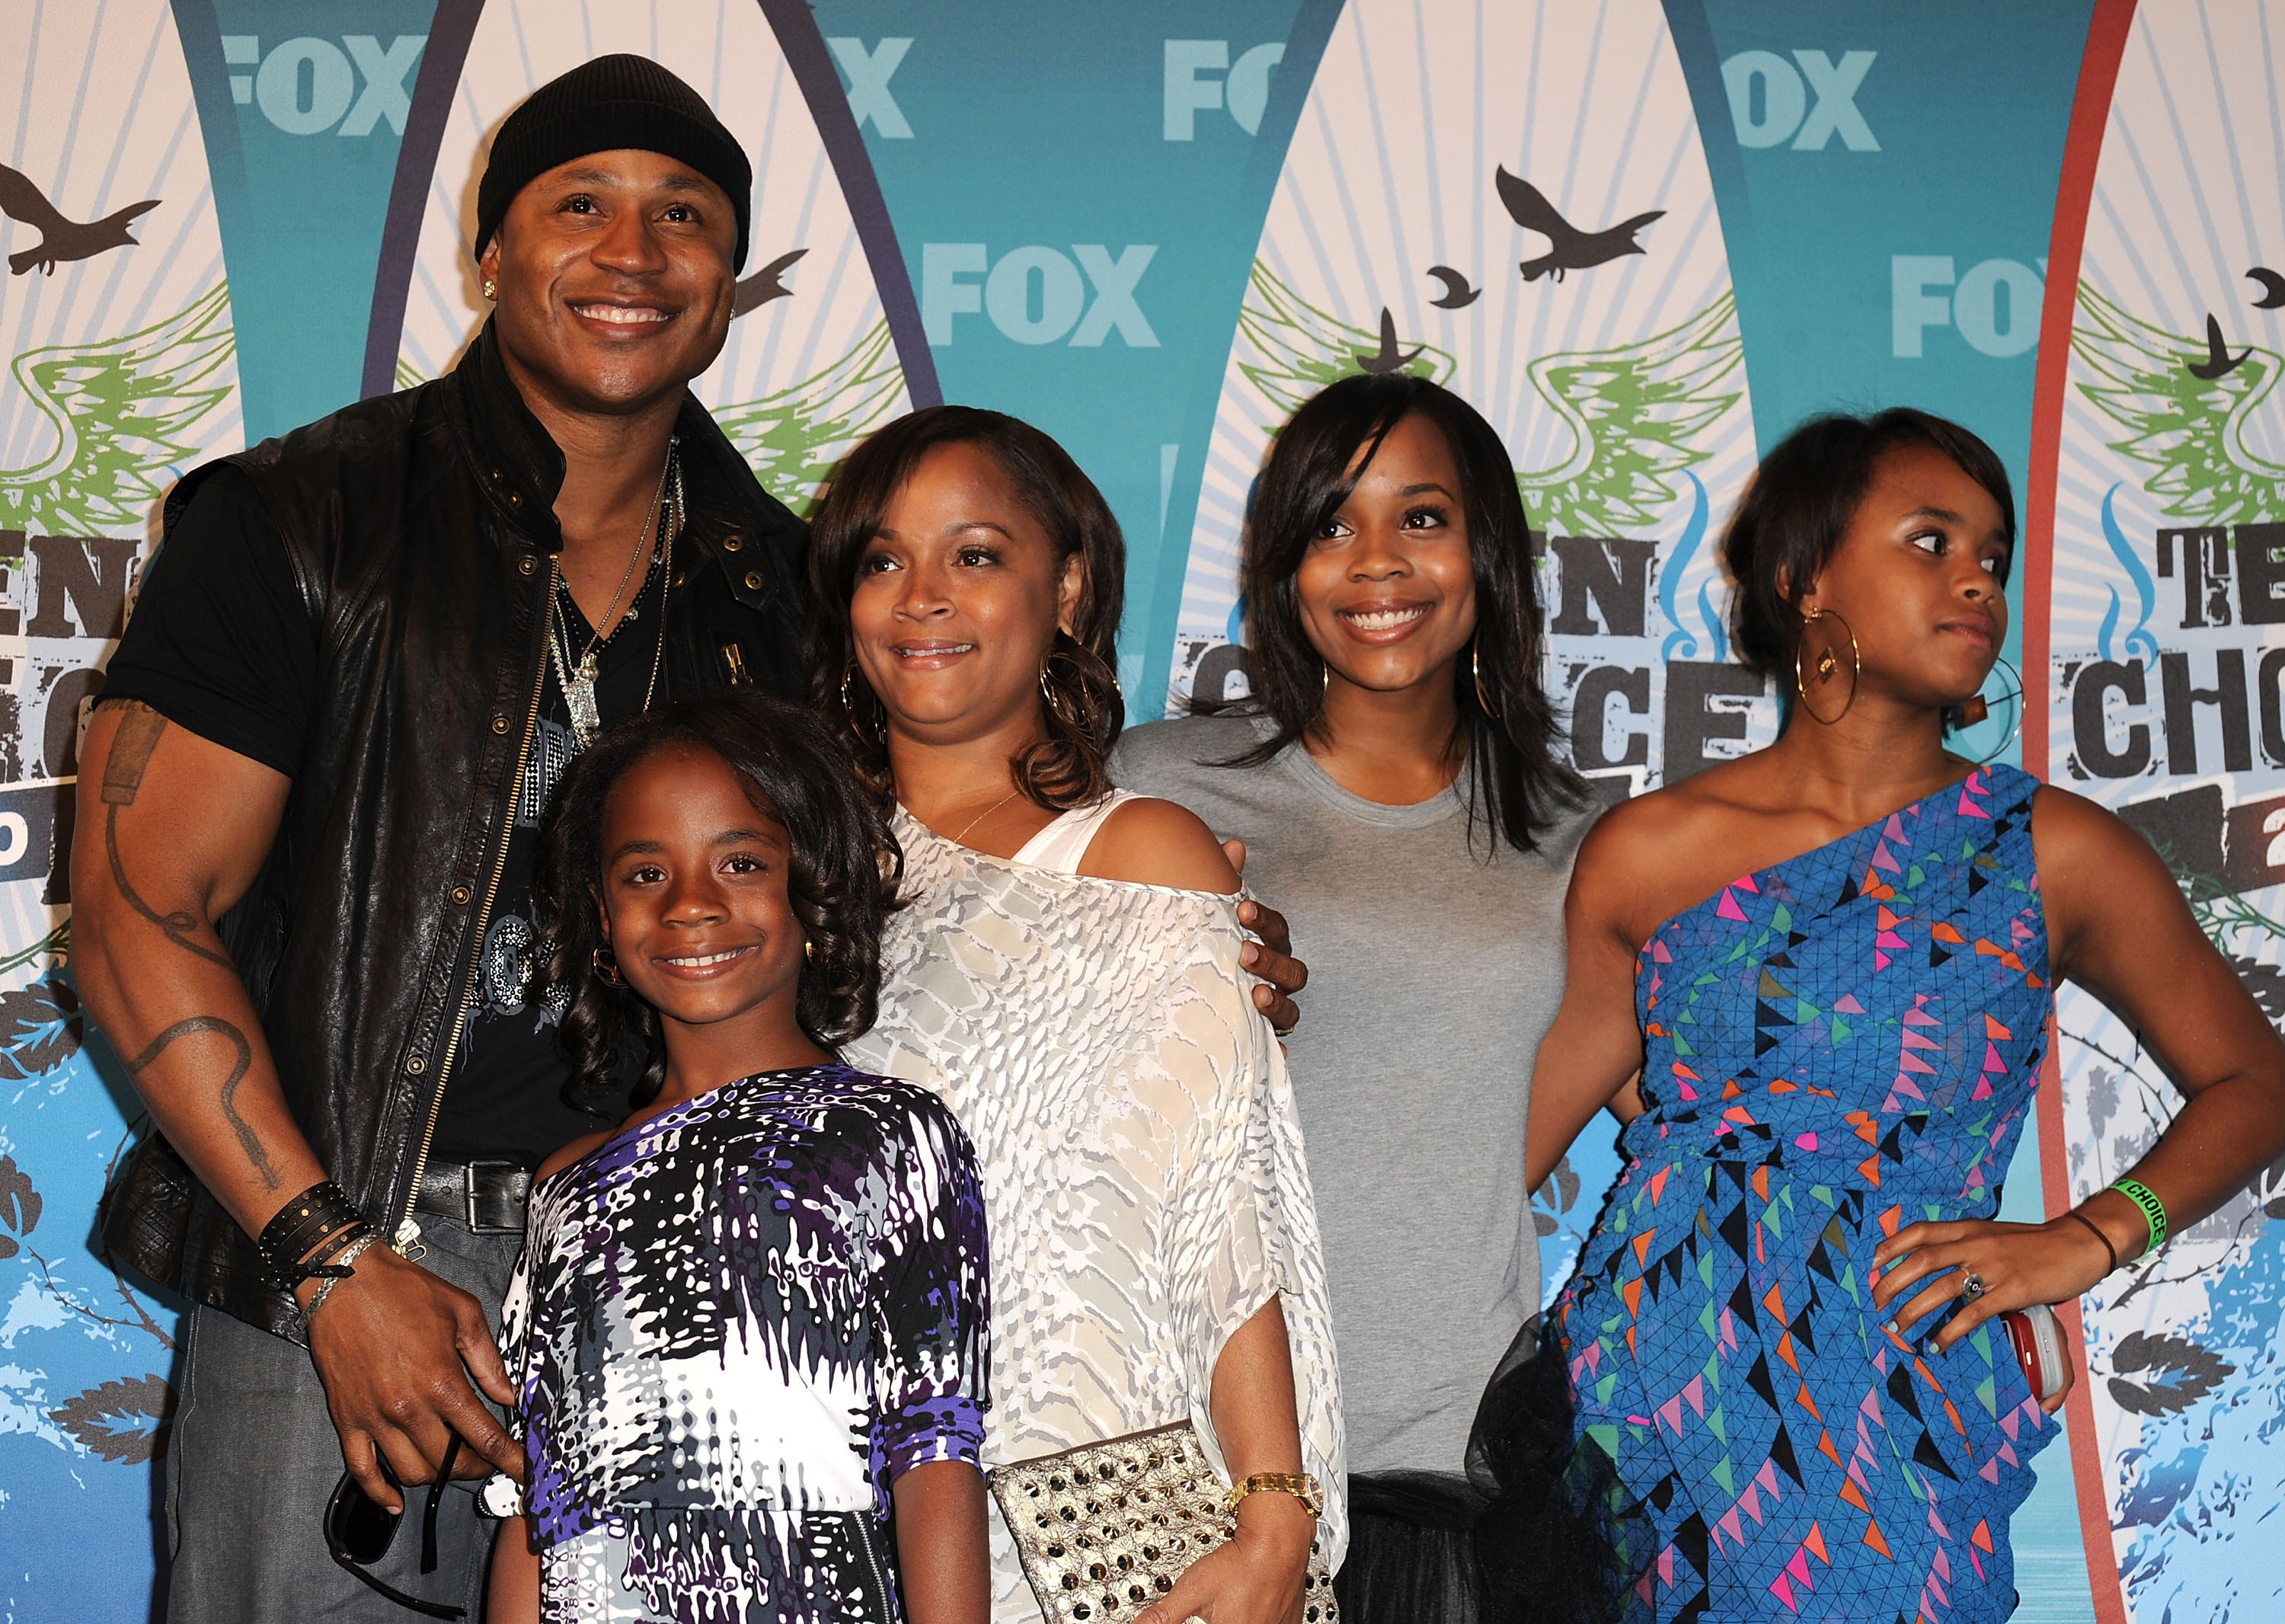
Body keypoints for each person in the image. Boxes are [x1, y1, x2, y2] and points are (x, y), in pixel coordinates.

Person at [78, 56, 816, 1622]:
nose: (634, 252)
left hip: (677, 1283)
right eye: (580, 205)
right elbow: (144, 912)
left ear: (732, 282)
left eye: (684, 215)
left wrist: (1172, 934)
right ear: (490, 249)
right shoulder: (301, 521)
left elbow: (918, 888)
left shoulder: (782, 583)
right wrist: (333, 1261)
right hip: (337, 1276)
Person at [1524, 408, 2285, 1621]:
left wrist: (2085, 1239)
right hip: (1652, 1384)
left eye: (1993, 552)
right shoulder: (1648, 852)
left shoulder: (2056, 850)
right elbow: (1530, 1129)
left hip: (1893, 1376)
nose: (1978, 579)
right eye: (1929, 542)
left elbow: (2257, 1083)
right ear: (1802, 578)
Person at [811, 405, 1345, 1624]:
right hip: (836, 1511)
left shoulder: (1144, 853)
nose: (922, 595)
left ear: (1068, 592)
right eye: (883, 559)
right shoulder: (785, 877)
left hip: (1100, 1530)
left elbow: (1225, 1210)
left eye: (977, 555)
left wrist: (1274, 1509)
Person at [1113, 373, 1602, 1624]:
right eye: (1331, 523)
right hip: (1183, 1460)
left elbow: (1734, 1126)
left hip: (1457, 1475)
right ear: (1281, 565)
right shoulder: (1157, 782)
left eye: (1421, 517)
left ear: (1486, 549)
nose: (1375, 560)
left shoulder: (1588, 836)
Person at [482, 692, 990, 1623]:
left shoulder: (892, 1136)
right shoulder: (567, 1184)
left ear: (818, 887)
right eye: (645, 872)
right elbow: (537, 1500)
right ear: (600, 915)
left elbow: (936, 1448)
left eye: (742, 861)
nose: (691, 903)